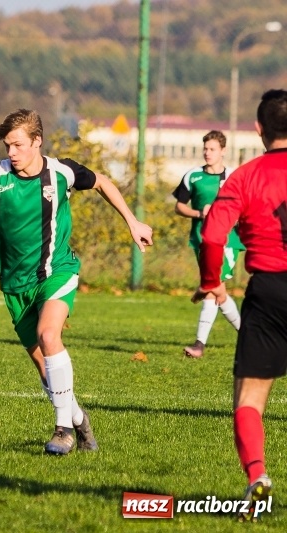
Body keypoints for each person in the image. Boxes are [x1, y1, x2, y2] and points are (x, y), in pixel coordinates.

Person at [0, 108, 153, 455]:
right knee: (43, 364)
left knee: (49, 335)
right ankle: (79, 419)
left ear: (37, 142)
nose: (12, 153)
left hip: (57, 271)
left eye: (18, 145)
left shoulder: (61, 171)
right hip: (16, 285)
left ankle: (62, 429)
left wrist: (133, 222)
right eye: (8, 146)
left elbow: (102, 182)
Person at [192, 89, 287, 521]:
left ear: (258, 129)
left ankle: (257, 477)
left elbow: (213, 236)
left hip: (268, 291)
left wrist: (211, 282)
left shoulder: (244, 177)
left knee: (249, 399)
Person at [172, 130, 243, 358]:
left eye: (212, 149)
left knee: (213, 287)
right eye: (205, 148)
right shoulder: (192, 176)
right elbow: (179, 206)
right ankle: (249, 336)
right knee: (217, 289)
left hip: (227, 240)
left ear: (223, 151)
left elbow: (243, 207)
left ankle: (199, 345)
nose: (207, 153)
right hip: (201, 239)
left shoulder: (233, 177)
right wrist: (199, 213)